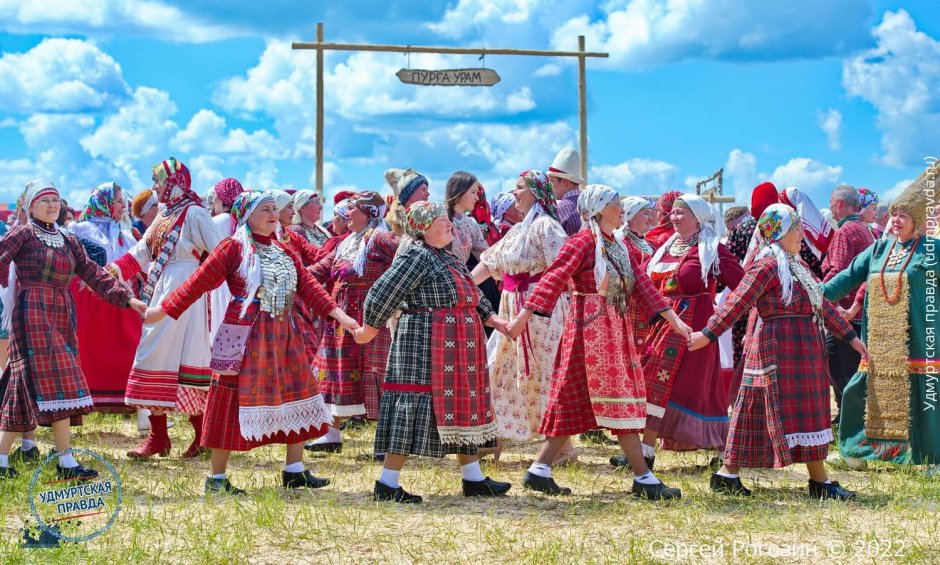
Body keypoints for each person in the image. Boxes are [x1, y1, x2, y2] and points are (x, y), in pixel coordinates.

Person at [144, 191, 360, 494]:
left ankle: (294, 470)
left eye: (275, 209)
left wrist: (344, 318)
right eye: (265, 210)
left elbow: (309, 288)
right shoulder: (233, 248)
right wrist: (162, 311)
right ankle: (216, 478)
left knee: (299, 393)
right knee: (230, 402)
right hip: (245, 337)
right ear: (246, 214)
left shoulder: (284, 250)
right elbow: (199, 282)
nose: (273, 214)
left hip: (284, 335)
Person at [508, 185, 690, 500]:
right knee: (606, 398)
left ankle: (539, 470)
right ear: (599, 208)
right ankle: (644, 478)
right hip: (587, 332)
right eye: (615, 203)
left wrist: (675, 321)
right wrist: (521, 319)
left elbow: (643, 286)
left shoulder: (617, 245)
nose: (621, 208)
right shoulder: (582, 242)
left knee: (577, 398)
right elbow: (554, 277)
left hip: (612, 331)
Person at [688, 204, 866, 500]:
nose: (801, 234)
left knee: (806, 413)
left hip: (804, 350)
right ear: (782, 232)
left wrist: (850, 336)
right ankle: (732, 474)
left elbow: (820, 303)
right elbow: (737, 303)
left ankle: (812, 481)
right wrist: (708, 334)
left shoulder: (797, 266)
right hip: (774, 349)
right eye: (796, 229)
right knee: (753, 411)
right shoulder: (766, 265)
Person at [355, 201, 511, 503]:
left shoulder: (445, 256)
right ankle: (387, 483)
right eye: (442, 220)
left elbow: (471, 292)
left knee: (463, 404)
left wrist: (492, 318)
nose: (449, 224)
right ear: (424, 228)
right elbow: (382, 292)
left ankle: (473, 478)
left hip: (459, 344)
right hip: (424, 342)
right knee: (413, 402)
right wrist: (368, 330)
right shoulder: (416, 256)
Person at [0, 180, 146, 480]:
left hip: (62, 315)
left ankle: (60, 462)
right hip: (32, 313)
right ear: (30, 206)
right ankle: (19, 459)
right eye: (44, 200)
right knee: (36, 383)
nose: (52, 205)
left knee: (57, 385)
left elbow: (93, 273)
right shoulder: (24, 233)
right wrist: (4, 282)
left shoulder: (67, 240)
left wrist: (128, 299)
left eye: (55, 199)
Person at [823, 170, 939, 467]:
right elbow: (844, 279)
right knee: (856, 393)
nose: (896, 220)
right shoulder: (878, 249)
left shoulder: (933, 250)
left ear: (919, 220)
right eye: (895, 214)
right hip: (877, 343)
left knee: (921, 399)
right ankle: (857, 451)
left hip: (919, 341)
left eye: (904, 215)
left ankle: (924, 455)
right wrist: (810, 296)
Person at [116, 158, 225, 459]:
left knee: (189, 358)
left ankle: (202, 435)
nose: (154, 188)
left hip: (187, 294)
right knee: (154, 355)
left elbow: (219, 256)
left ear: (175, 182)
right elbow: (139, 253)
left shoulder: (195, 214)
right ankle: (159, 437)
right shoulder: (164, 215)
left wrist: (201, 284)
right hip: (160, 291)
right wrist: (112, 271)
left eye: (158, 182)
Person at [637, 194, 744, 467]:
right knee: (654, 383)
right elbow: (643, 280)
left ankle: (725, 451)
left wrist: (719, 316)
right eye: (672, 212)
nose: (674, 217)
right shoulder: (665, 248)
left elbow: (744, 286)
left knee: (694, 389)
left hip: (695, 329)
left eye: (681, 213)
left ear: (697, 217)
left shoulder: (712, 249)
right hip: (663, 325)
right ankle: (645, 450)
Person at [471, 171, 568, 456]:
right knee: (496, 369)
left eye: (519, 187)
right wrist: (460, 285)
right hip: (511, 305)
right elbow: (490, 262)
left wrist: (532, 309)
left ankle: (561, 446)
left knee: (543, 375)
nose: (514, 193)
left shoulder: (548, 227)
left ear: (536, 193)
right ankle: (493, 439)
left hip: (540, 313)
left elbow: (561, 272)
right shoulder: (517, 231)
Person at [305, 192, 399, 453]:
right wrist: (292, 277)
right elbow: (321, 269)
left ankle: (385, 439)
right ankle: (331, 434)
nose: (348, 213)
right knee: (335, 368)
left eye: (353, 209)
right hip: (341, 316)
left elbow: (404, 258)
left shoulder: (380, 237)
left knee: (375, 368)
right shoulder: (345, 243)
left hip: (370, 313)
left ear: (369, 212)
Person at [68, 182, 141, 414]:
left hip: (121, 301)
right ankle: (90, 401)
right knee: (90, 351)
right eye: (118, 201)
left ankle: (128, 401)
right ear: (104, 203)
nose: (124, 205)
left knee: (130, 346)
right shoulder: (79, 230)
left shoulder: (127, 235)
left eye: (122, 201)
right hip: (90, 301)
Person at [822, 184, 875, 423]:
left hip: (843, 313)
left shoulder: (845, 232)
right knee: (852, 366)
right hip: (859, 311)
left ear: (840, 204)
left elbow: (839, 271)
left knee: (838, 364)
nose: (831, 209)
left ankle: (851, 419)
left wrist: (814, 290)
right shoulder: (863, 229)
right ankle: (851, 416)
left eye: (832, 204)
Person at [208, 178, 245, 343]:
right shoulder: (244, 223)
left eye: (215, 195)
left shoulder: (216, 222)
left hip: (220, 282)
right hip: (240, 282)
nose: (212, 200)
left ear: (223, 198)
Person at [546, 147, 585, 236]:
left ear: (564, 182)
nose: (549, 185)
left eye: (552, 181)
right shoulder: (591, 204)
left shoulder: (559, 210)